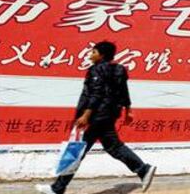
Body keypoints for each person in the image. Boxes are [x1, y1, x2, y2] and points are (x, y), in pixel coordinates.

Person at [36, 41, 156, 194]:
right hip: (110, 114)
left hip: (96, 116)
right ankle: (143, 170)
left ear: (102, 55)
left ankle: (57, 188)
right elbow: (123, 91)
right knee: (113, 147)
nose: (90, 55)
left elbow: (96, 94)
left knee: (78, 150)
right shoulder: (119, 69)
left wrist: (86, 115)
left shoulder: (96, 70)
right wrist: (128, 109)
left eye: (93, 52)